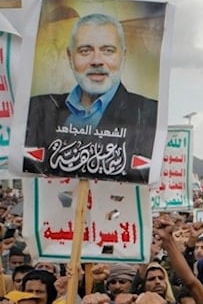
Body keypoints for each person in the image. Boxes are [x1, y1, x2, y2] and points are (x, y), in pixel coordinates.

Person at [24, 13, 158, 183]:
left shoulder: (149, 114)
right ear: (70, 57)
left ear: (123, 56)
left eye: (108, 51)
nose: (96, 61)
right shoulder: (38, 109)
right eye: (85, 51)